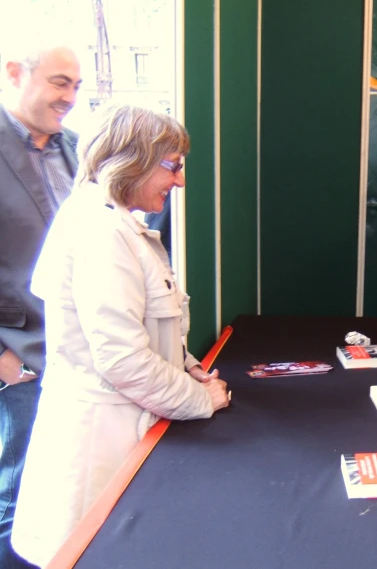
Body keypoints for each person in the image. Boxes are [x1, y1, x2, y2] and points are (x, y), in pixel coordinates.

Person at [11, 104, 231, 567]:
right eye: (172, 166)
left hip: (118, 428)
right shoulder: (100, 232)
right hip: (102, 442)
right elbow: (124, 361)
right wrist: (201, 400)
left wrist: (189, 367)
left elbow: (147, 332)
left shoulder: (110, 223)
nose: (179, 181)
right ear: (130, 159)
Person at [0, 41, 81, 568]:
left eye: (75, 86)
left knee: (64, 489)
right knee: (18, 494)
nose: (70, 97)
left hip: (76, 350)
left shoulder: (74, 145)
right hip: (21, 355)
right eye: (59, 82)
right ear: (14, 73)